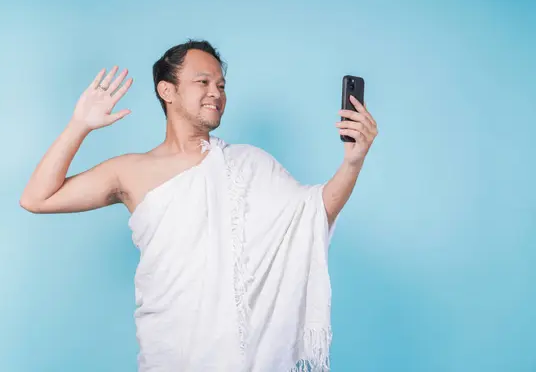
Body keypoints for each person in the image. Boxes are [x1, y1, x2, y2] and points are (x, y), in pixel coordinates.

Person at [20, 39, 378, 371]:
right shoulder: (130, 171)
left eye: (221, 85)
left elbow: (314, 214)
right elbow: (37, 198)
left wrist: (352, 162)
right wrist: (79, 125)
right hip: (169, 353)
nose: (216, 93)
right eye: (203, 82)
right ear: (167, 90)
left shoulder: (249, 164)